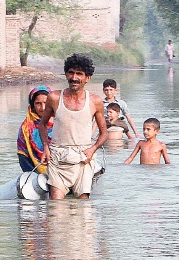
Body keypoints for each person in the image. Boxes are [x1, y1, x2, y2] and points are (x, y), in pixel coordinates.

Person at [36, 53, 109, 200]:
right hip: (58, 156)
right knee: (56, 206)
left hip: (84, 157)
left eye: (79, 74)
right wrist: (45, 147)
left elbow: (104, 133)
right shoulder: (54, 98)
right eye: (71, 73)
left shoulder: (95, 101)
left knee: (83, 206)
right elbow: (42, 125)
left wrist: (93, 149)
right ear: (66, 74)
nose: (74, 78)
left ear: (87, 78)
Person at [16, 85, 51, 173]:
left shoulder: (61, 122)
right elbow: (23, 155)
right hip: (35, 173)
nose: (43, 108)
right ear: (32, 105)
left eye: (46, 103)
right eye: (38, 103)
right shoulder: (26, 127)